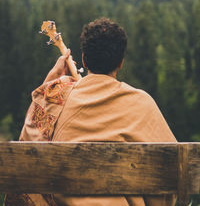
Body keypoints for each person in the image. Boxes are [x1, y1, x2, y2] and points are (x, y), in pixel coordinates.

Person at [5, 17, 176, 206]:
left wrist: (49, 83)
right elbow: (172, 174)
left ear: (84, 60)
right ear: (121, 63)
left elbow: (27, 152)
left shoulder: (55, 96)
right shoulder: (143, 103)